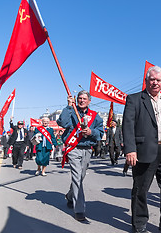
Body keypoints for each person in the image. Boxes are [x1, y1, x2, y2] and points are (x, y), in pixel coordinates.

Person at [122, 66, 161, 233]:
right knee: (141, 189)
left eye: (158, 80)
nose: (155, 82)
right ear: (146, 80)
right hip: (143, 152)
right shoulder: (135, 99)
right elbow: (127, 126)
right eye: (152, 79)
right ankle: (139, 225)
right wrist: (130, 150)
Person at [57, 90, 104, 222]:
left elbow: (100, 132)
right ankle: (79, 209)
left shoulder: (95, 116)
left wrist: (91, 131)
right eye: (79, 98)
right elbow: (62, 123)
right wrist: (68, 106)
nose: (81, 100)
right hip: (74, 149)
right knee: (77, 176)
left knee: (81, 176)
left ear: (89, 101)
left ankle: (71, 196)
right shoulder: (71, 111)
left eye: (84, 98)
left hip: (87, 149)